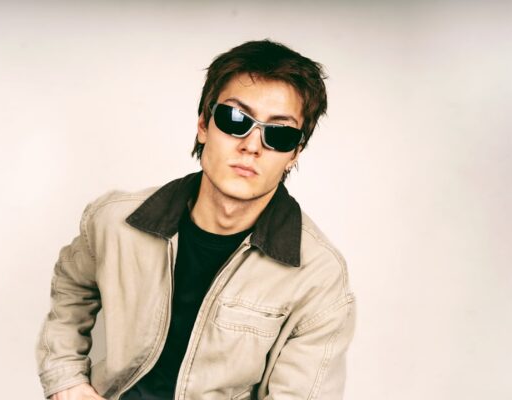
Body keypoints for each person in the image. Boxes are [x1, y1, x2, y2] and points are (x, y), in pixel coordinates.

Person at [36, 39, 356, 400]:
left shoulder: (318, 276)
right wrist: (66, 379)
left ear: (295, 153)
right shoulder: (115, 221)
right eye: (235, 119)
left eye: (279, 133)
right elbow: (72, 285)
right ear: (204, 124)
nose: (252, 145)